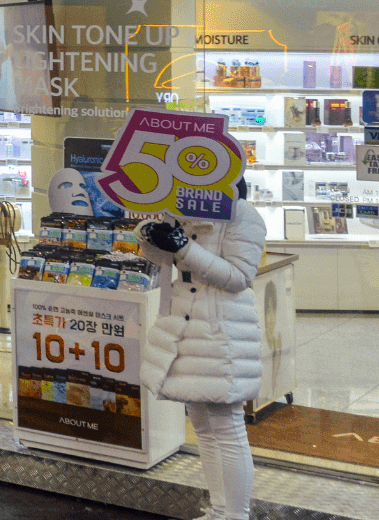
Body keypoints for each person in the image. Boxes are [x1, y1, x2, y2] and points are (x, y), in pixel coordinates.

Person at [138, 183, 268, 520]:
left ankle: (236, 516)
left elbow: (239, 277)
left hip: (219, 331)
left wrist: (183, 247)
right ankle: (220, 510)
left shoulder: (243, 215)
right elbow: (162, 264)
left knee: (227, 426)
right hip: (185, 328)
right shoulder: (179, 208)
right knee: (202, 425)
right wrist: (150, 237)